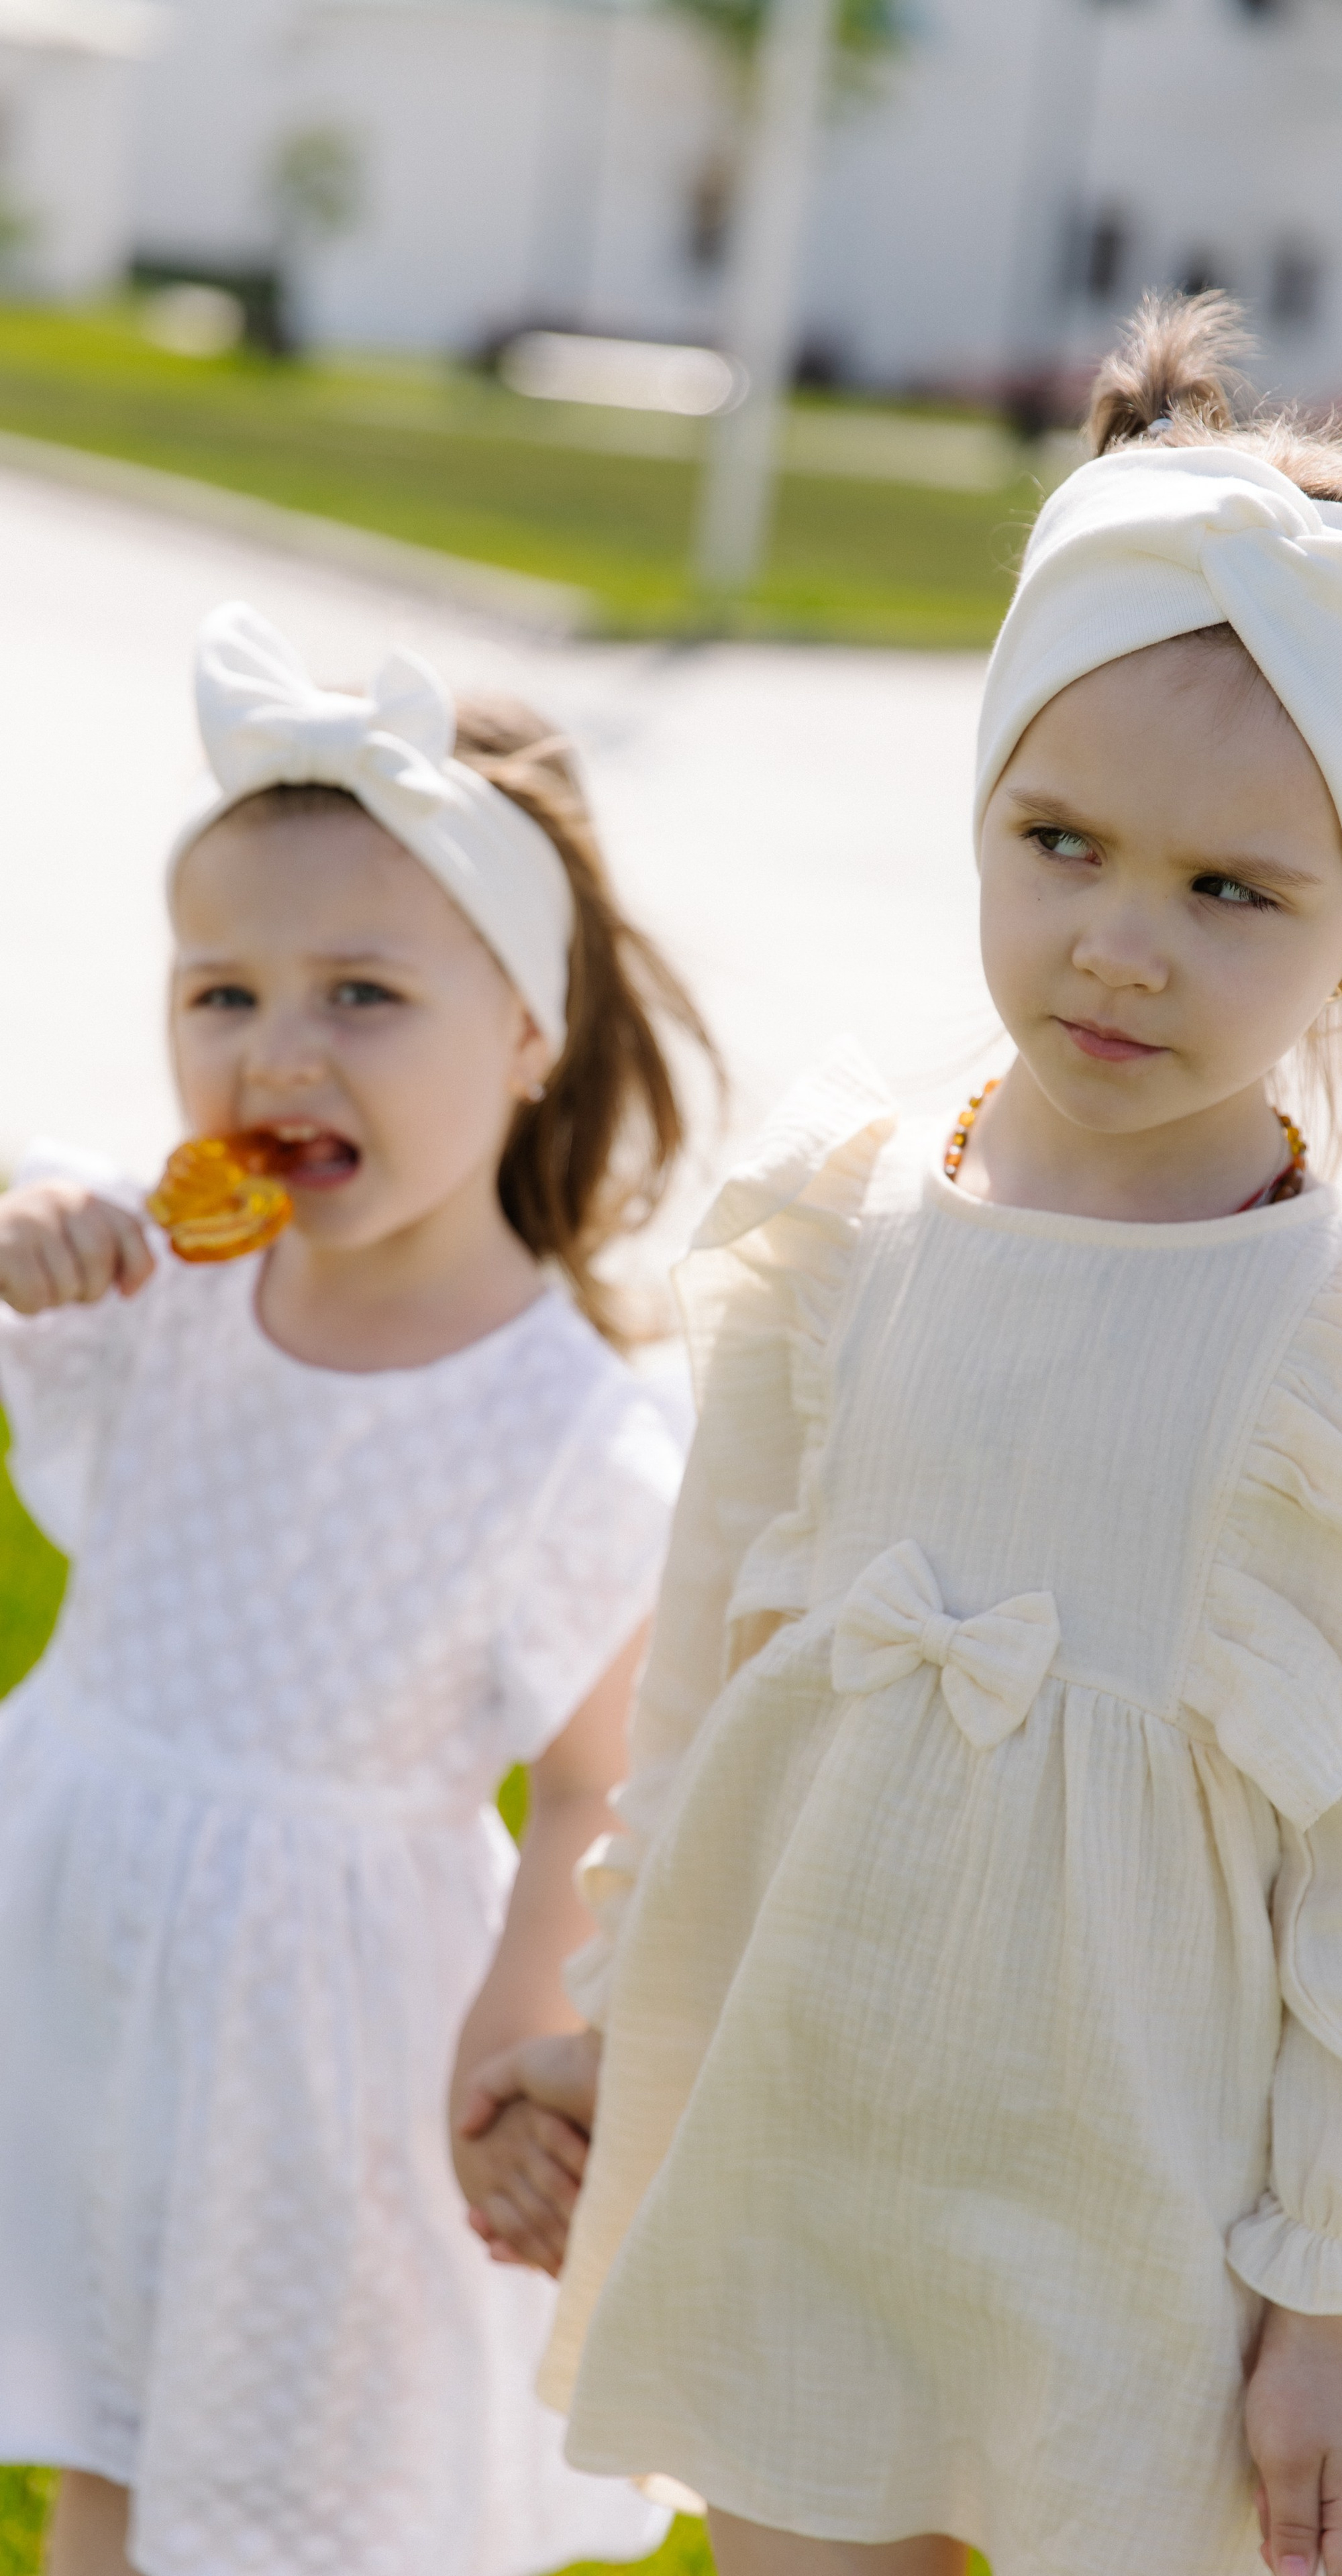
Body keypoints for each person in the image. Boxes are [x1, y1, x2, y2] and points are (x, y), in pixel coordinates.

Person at [462, 297, 1342, 2576]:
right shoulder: (837, 1240)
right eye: (1059, 841)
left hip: (1131, 2228)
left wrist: (1325, 2297)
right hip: (798, 2140)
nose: (1118, 946)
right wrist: (607, 2025)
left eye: (1230, 891)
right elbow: (702, 1684)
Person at [0, 603, 716, 2576]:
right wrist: (18, 1242)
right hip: (80, 1973)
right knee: (108, 2433)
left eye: (362, 996)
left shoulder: (569, 1428)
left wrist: (515, 2020)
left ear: (529, 1034)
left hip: (319, 2063)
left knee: (279, 2479)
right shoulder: (156, 1286)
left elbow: (599, 1777)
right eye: (218, 991)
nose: (273, 1049)